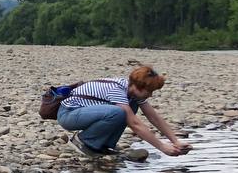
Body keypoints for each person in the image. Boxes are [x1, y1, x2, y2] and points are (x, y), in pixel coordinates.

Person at [58, 65, 192, 157]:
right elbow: (134, 124)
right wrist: (163, 147)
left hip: (85, 112)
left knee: (130, 107)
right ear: (138, 87)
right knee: (119, 112)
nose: (150, 95)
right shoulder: (117, 90)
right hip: (68, 114)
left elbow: (153, 117)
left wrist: (175, 141)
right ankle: (83, 141)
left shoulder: (132, 92)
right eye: (149, 91)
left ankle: (104, 145)